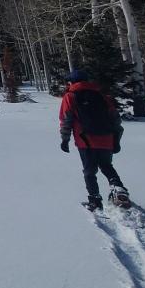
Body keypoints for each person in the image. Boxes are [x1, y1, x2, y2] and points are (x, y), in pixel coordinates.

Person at [59, 68, 130, 211]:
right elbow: (116, 120)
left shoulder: (70, 96)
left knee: (89, 171)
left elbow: (66, 120)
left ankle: (95, 200)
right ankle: (118, 188)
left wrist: (65, 139)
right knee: (106, 165)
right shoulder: (102, 96)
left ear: (71, 82)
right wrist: (116, 140)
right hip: (106, 138)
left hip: (85, 140)